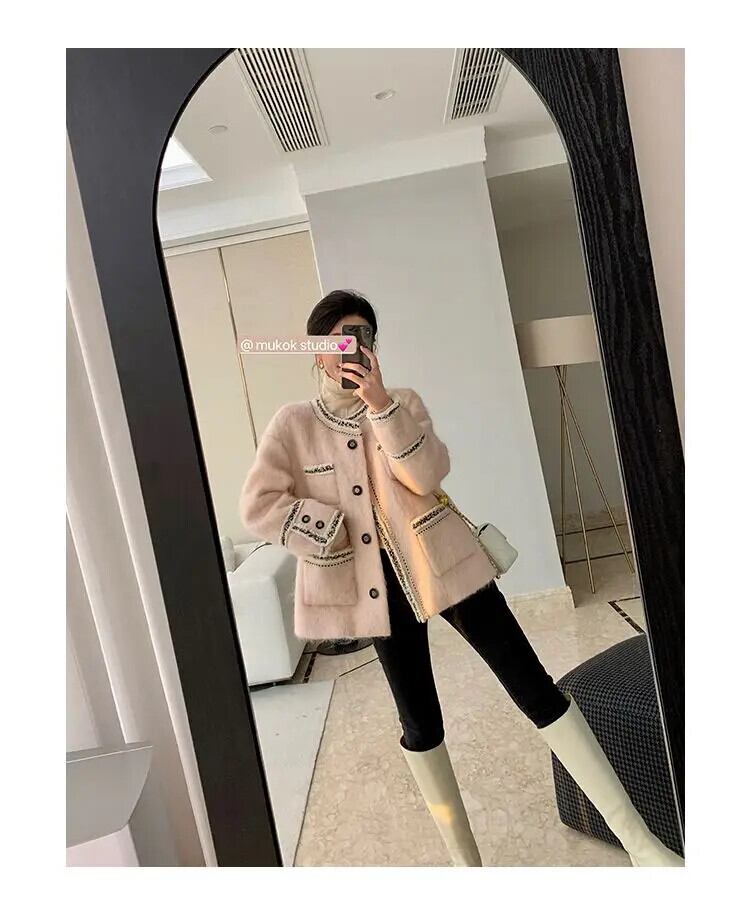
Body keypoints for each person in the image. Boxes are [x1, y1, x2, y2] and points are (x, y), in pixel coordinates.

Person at [239, 290, 682, 867]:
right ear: (316, 351)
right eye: (340, 339)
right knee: (420, 725)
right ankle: (468, 871)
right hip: (375, 594)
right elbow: (259, 505)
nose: (352, 348)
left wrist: (380, 407)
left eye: (363, 337)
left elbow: (426, 476)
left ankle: (642, 846)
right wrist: (329, 529)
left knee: (534, 687)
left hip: (447, 565)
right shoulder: (292, 425)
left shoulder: (401, 403)